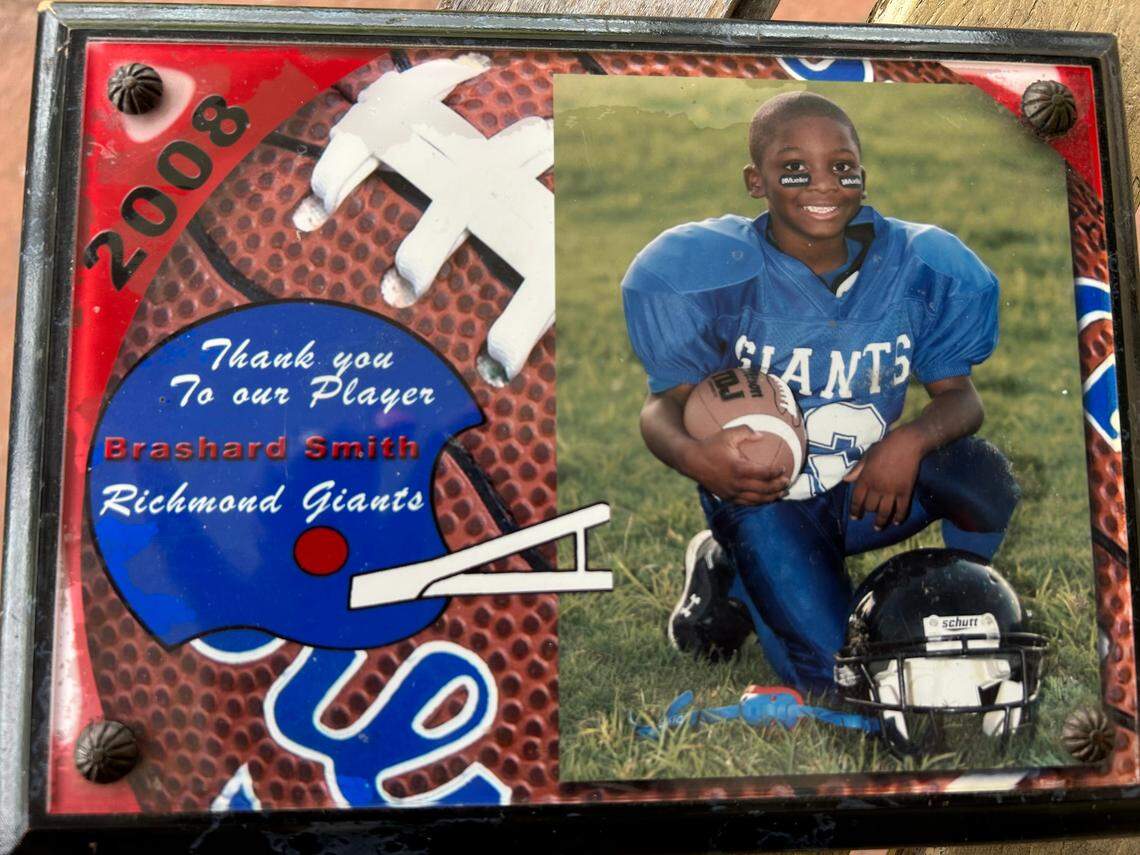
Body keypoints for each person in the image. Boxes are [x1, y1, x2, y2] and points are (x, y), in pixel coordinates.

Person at [621, 91, 1020, 695]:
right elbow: (662, 406)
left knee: (983, 474)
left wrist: (909, 441)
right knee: (840, 680)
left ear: (863, 171)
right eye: (794, 169)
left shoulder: (919, 264)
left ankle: (969, 595)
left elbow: (961, 399)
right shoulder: (715, 269)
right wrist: (696, 458)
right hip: (764, 498)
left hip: (868, 490)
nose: (823, 184)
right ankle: (731, 568)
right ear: (756, 181)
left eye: (842, 166)